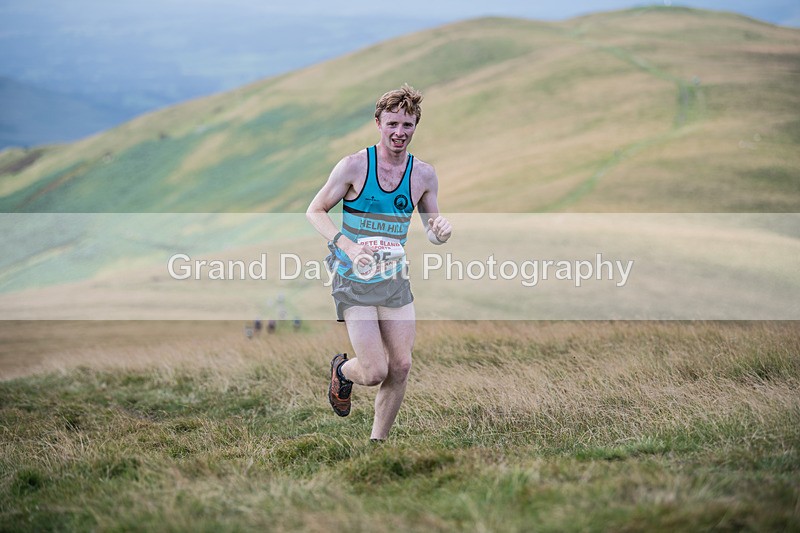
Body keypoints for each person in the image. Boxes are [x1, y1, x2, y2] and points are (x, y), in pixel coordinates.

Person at [306, 84, 452, 441]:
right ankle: (342, 371)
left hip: (394, 277)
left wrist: (440, 233)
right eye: (392, 124)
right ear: (378, 123)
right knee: (373, 371)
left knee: (400, 365)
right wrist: (348, 245)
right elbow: (315, 210)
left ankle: (377, 445)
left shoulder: (423, 175)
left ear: (416, 125)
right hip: (352, 276)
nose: (399, 133)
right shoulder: (355, 165)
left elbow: (431, 229)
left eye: (407, 125)